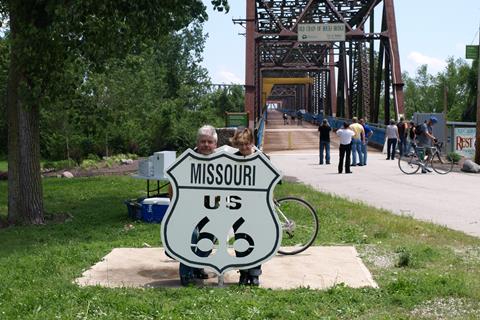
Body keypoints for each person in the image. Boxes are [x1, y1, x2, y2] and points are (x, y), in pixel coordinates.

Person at [176, 124, 218, 286]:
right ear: (197, 142)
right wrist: (175, 206)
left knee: (209, 237)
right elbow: (172, 185)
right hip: (189, 208)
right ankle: (186, 274)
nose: (206, 145)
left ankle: (196, 266)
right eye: (203, 141)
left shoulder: (221, 159)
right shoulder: (186, 159)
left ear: (215, 144)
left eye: (209, 142)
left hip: (212, 208)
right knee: (191, 237)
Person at [230, 128, 262, 286]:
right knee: (241, 240)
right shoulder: (232, 159)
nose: (243, 148)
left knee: (255, 241)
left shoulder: (261, 159)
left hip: (256, 207)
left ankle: (255, 274)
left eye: (246, 144)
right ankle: (243, 273)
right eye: (240, 144)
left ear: (252, 143)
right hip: (237, 207)